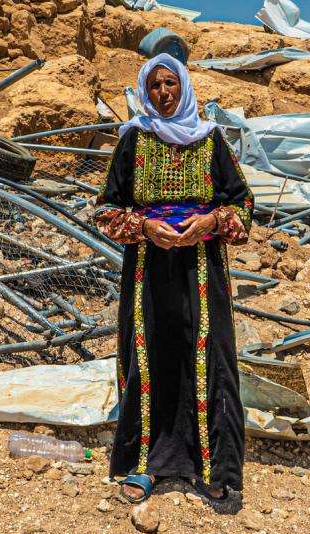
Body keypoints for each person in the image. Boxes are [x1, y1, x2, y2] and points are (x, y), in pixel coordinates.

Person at [92, 53, 253, 504]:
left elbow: (244, 205)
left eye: (171, 85)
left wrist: (211, 222)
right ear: (146, 91)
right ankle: (144, 464)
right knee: (149, 358)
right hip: (148, 269)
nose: (164, 93)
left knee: (208, 360)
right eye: (156, 86)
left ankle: (213, 469)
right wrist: (144, 228)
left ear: (184, 88)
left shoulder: (212, 141)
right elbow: (106, 210)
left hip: (202, 269)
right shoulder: (132, 141)